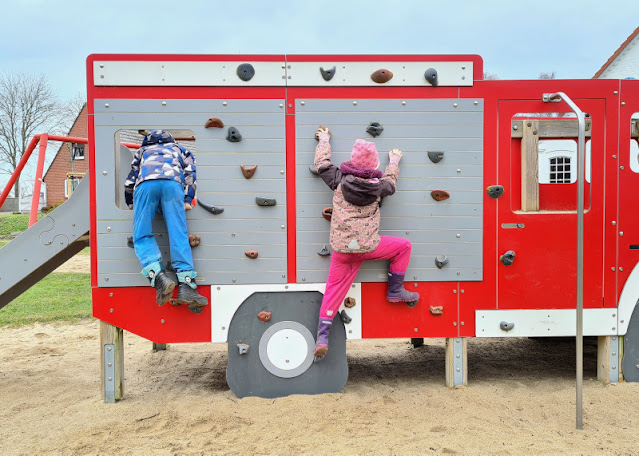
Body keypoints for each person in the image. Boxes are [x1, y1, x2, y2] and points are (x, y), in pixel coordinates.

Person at [313, 125, 419, 358]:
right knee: (404, 247)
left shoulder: (339, 179)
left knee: (333, 290)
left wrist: (324, 139)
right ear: (373, 166)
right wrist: (393, 160)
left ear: (352, 160)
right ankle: (395, 290)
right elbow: (391, 182)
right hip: (369, 247)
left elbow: (321, 165)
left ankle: (322, 336)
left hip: (342, 250)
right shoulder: (380, 187)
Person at [124, 129, 208, 308]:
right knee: (178, 232)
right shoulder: (181, 150)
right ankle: (186, 285)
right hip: (172, 184)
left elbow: (131, 178)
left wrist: (131, 202)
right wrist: (187, 199)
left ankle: (158, 276)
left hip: (146, 184)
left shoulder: (142, 151)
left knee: (142, 233)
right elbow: (190, 173)